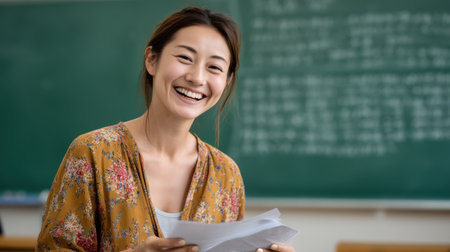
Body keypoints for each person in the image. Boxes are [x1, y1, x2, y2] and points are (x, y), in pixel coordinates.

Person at [36, 6, 295, 252]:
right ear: (151, 60)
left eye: (214, 67)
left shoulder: (226, 175)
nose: (197, 78)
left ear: (226, 82)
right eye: (185, 58)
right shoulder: (92, 153)